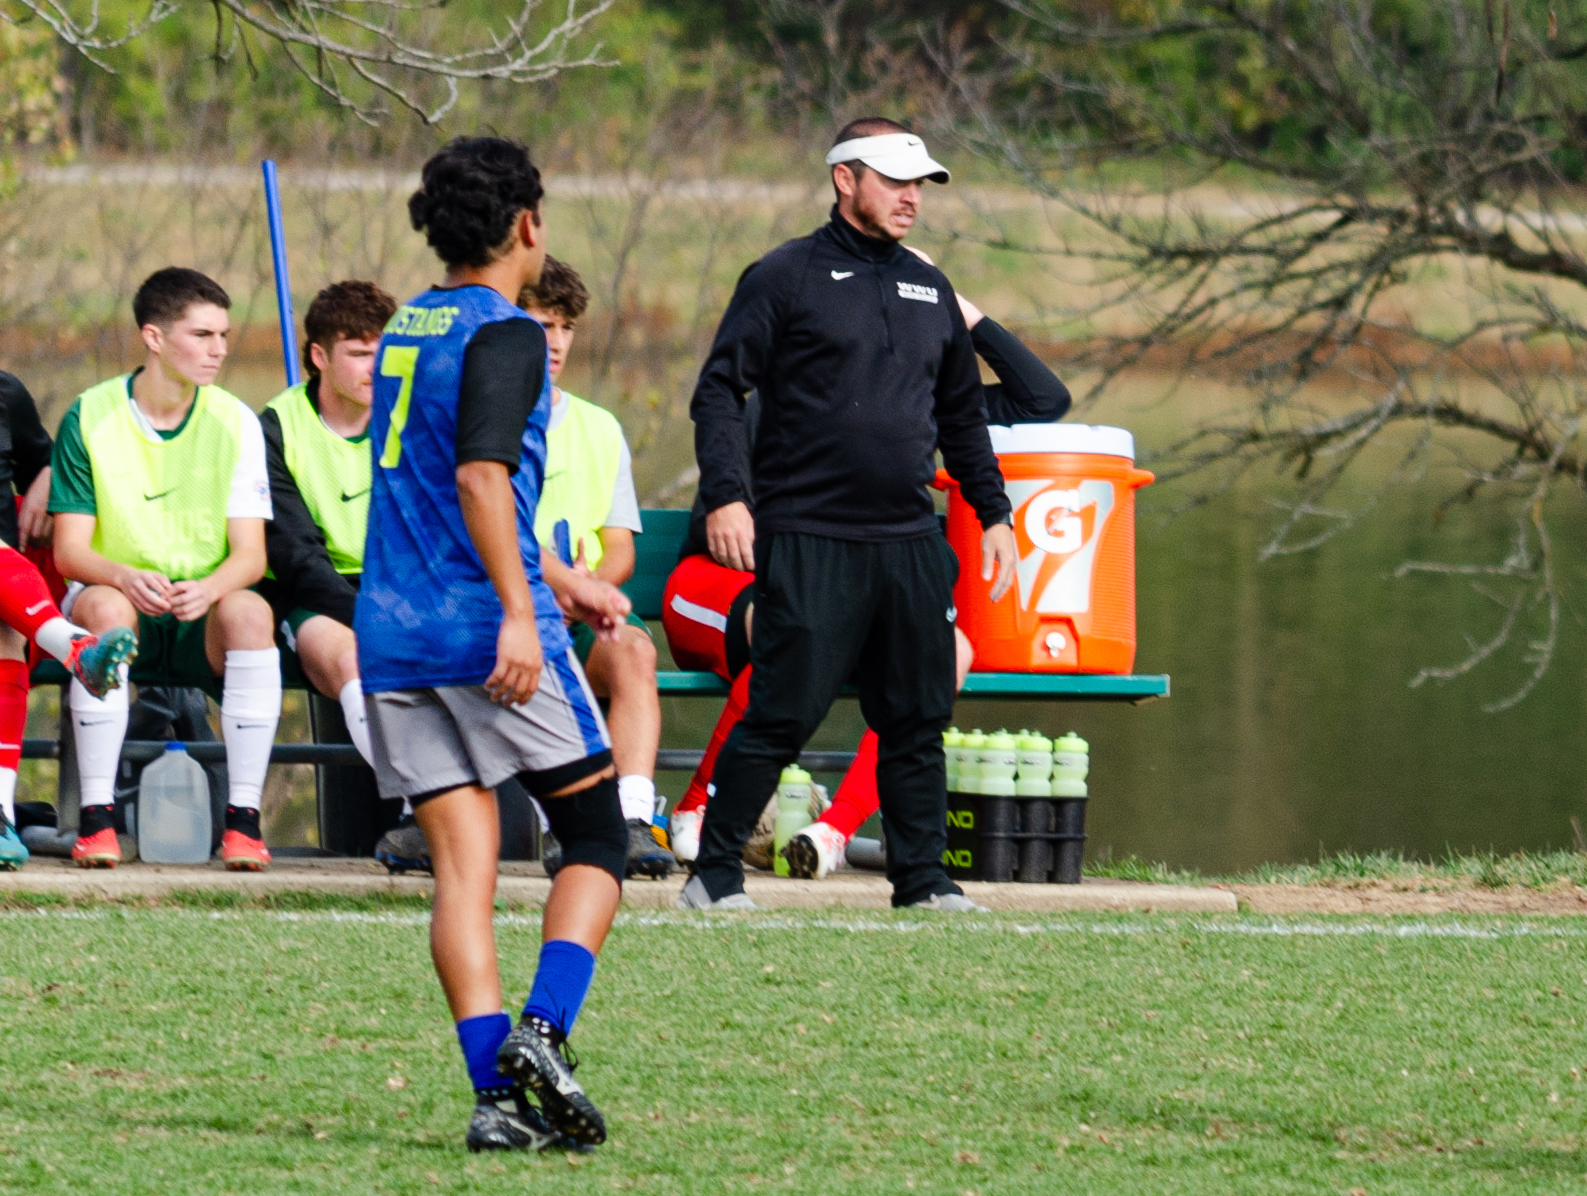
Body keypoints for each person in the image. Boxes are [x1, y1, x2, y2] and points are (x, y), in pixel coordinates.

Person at [356, 137, 632, 1153]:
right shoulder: (508, 333)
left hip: (390, 628)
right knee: (599, 836)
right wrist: (525, 609)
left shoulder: (402, 328)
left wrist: (558, 580)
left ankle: (498, 1099)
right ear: (526, 225)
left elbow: (429, 480)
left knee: (463, 869)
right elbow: (479, 481)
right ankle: (545, 1032)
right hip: (482, 628)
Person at [680, 118, 1017, 912]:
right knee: (781, 711)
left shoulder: (928, 288)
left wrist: (993, 512)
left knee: (915, 718)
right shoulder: (784, 275)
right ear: (844, 179)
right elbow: (718, 391)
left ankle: (923, 880)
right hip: (811, 535)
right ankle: (715, 874)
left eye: (920, 184)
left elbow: (963, 419)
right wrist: (728, 495)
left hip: (908, 543)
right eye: (895, 180)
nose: (911, 197)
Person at [664, 250, 1069, 877]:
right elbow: (716, 531)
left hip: (831, 597)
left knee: (945, 652)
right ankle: (693, 811)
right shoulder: (782, 393)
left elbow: (1044, 399)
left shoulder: (913, 402)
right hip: (722, 588)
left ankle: (832, 832)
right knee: (791, 629)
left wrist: (959, 312)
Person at [50, 267, 280, 871]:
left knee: (252, 612)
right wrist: (124, 576)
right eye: (202, 335)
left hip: (200, 615)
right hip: (120, 604)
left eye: (224, 335)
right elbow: (69, 552)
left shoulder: (236, 421)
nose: (220, 350)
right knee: (102, 607)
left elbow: (250, 557)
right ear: (153, 337)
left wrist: (208, 589)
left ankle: (244, 823)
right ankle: (97, 822)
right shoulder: (91, 414)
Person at [519, 256, 673, 879]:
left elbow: (621, 550)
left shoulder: (599, 428)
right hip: (504, 613)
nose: (555, 343)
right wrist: (552, 587)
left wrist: (587, 590)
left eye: (565, 328)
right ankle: (565, 824)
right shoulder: (481, 417)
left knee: (635, 650)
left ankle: (633, 820)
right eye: (540, 324)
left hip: (576, 614)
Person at [0, 372, 138, 868]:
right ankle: (77, 649)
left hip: (9, 599)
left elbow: (46, 459)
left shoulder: (6, 393)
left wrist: (43, 479)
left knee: (5, 636)